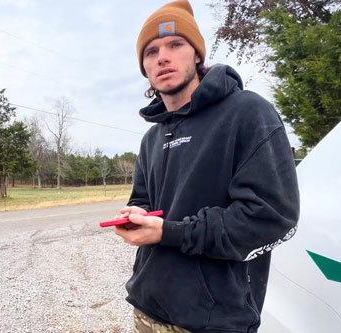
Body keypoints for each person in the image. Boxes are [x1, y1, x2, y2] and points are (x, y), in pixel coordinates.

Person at [112, 1, 299, 332]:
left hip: (213, 320)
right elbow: (142, 197)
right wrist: (135, 214)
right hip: (147, 307)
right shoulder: (152, 138)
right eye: (151, 51)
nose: (162, 57)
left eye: (175, 44)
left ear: (197, 54)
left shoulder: (247, 113)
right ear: (144, 67)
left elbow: (271, 217)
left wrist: (169, 231)